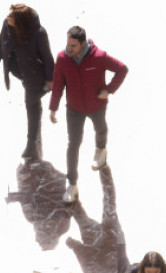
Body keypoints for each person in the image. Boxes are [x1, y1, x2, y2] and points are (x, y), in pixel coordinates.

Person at [48, 26, 128, 203]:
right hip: (74, 109)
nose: (69, 49)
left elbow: (122, 69)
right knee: (73, 144)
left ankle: (101, 149)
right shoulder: (62, 59)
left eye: (73, 46)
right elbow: (58, 85)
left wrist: (109, 90)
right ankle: (72, 184)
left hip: (96, 105)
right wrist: (53, 107)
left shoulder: (99, 57)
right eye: (68, 44)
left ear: (83, 44)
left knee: (100, 130)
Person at [0, 3, 54, 162]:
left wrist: (50, 79)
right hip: (18, 69)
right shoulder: (7, 24)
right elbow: (0, 41)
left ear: (21, 21)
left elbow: (47, 57)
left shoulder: (39, 33)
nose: (8, 17)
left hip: (34, 75)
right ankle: (35, 103)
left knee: (30, 103)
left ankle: (31, 142)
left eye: (12, 16)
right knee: (33, 101)